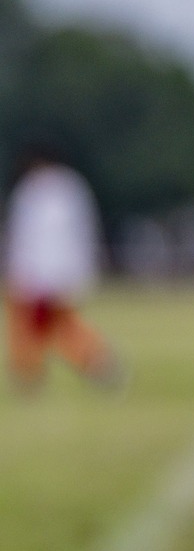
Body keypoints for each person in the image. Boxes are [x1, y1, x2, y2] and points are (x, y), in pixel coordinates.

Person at [4, 151, 119, 390]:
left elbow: (26, 238)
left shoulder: (35, 191)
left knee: (40, 327)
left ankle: (34, 372)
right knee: (53, 327)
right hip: (61, 273)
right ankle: (95, 363)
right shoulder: (70, 187)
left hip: (39, 274)